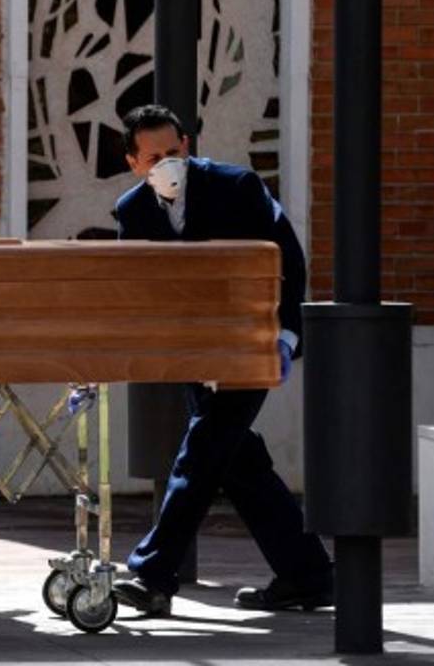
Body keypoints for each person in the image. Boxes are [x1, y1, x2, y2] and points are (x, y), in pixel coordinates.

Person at [109, 104, 333, 616]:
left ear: (187, 145)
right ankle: (308, 574)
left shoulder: (237, 187)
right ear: (134, 163)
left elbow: (288, 260)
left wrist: (286, 336)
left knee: (202, 451)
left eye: (174, 151)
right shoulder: (133, 211)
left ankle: (152, 573)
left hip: (249, 344)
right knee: (237, 461)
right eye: (154, 156)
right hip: (194, 353)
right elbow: (142, 291)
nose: (167, 162)